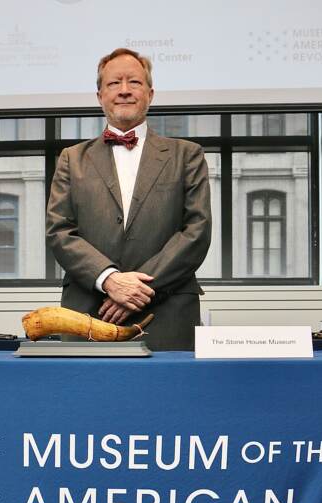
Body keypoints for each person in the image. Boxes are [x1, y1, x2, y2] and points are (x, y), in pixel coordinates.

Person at [46, 47, 211, 351]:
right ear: (99, 96)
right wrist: (109, 280)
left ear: (150, 93)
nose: (124, 91)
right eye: (113, 83)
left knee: (168, 398)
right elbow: (59, 232)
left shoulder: (188, 155)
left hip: (168, 312)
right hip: (89, 311)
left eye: (133, 82)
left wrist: (138, 290)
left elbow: (196, 232)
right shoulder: (71, 159)